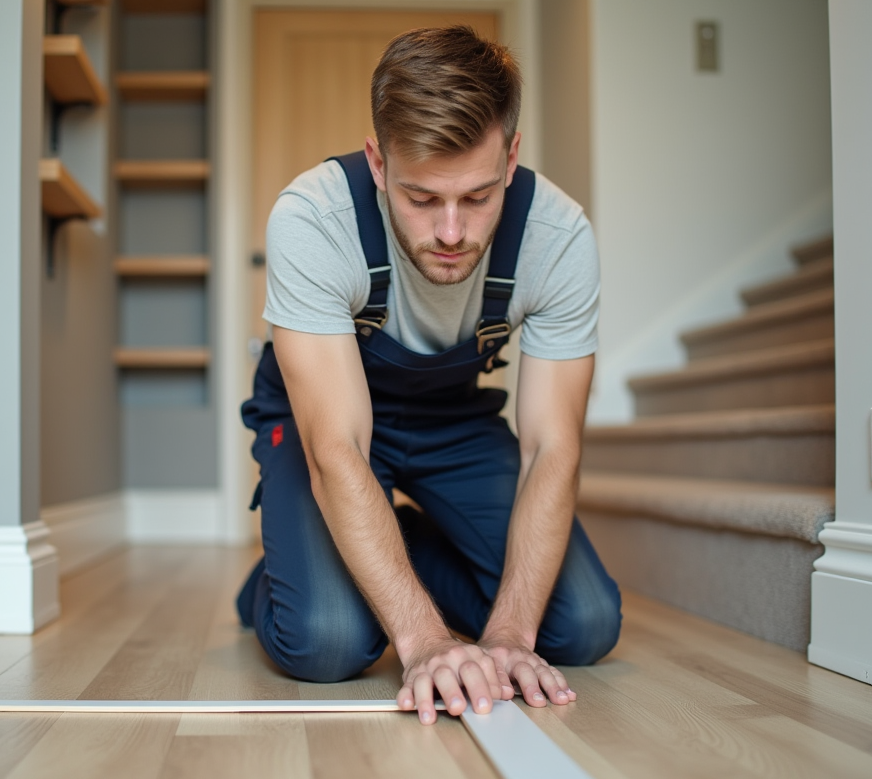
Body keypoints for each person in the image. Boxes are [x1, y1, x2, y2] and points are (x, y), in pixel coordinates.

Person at [236, 25, 621, 726]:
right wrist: (424, 642)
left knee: (580, 628)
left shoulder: (559, 238)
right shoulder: (313, 219)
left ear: (510, 158)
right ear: (379, 164)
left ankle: (390, 545)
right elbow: (336, 450)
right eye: (421, 199)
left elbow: (550, 449)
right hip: (331, 429)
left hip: (456, 425)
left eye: (476, 198)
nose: (451, 232)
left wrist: (508, 636)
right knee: (328, 641)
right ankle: (286, 571)